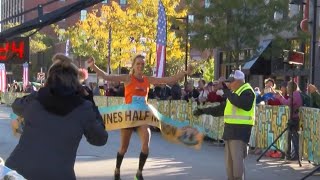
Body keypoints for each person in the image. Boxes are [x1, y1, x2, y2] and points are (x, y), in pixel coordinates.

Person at [87, 54, 193, 180]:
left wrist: (184, 72)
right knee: (123, 148)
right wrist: (93, 66)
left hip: (142, 117)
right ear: (133, 65)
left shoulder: (147, 79)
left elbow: (168, 80)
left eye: (142, 64)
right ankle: (117, 169)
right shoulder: (128, 78)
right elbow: (107, 76)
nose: (140, 66)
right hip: (128, 117)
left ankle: (139, 173)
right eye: (138, 64)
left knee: (146, 144)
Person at [5, 58, 108, 180]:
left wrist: (41, 92)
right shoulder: (84, 108)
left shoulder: (36, 100)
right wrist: (90, 101)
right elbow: (100, 139)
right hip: (59, 174)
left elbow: (16, 105)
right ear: (76, 83)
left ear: (49, 80)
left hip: (18, 172)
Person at [193, 70, 255, 180]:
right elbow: (220, 109)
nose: (229, 84)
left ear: (239, 81)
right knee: (229, 163)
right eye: (228, 82)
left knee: (237, 162)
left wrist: (226, 91)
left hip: (240, 132)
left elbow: (243, 104)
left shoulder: (247, 91)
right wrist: (203, 111)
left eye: (231, 81)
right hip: (230, 131)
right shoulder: (233, 94)